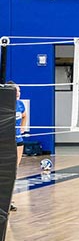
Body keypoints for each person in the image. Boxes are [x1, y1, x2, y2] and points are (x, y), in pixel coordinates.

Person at [10, 82, 26, 212]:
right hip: (5, 141)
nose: (19, 93)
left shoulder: (20, 104)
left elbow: (24, 116)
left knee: (14, 171)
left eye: (19, 91)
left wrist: (22, 127)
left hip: (18, 140)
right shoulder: (4, 105)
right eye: (17, 91)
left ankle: (9, 200)